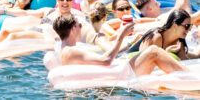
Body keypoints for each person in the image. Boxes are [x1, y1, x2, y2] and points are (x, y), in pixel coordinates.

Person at [52, 15, 184, 75]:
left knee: (149, 49)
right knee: (153, 51)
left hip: (116, 70)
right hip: (121, 73)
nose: (81, 28)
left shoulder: (64, 49)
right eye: (79, 25)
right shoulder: (70, 51)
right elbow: (106, 61)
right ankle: (187, 75)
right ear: (73, 28)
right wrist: (121, 35)